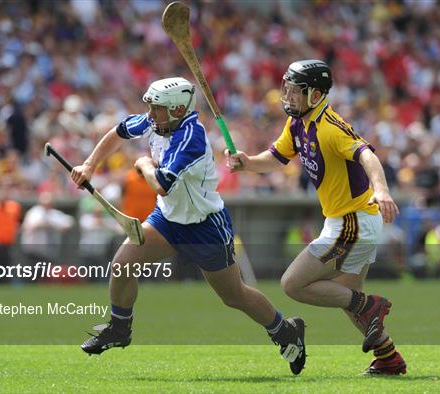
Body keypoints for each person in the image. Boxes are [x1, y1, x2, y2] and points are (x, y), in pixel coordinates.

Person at [70, 77, 306, 374]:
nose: (151, 114)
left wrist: (143, 163)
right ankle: (119, 328)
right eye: (151, 108)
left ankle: (285, 331)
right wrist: (90, 164)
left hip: (205, 226)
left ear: (178, 109)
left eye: (157, 109)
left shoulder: (190, 137)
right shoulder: (156, 121)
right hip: (167, 220)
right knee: (122, 264)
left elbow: (162, 184)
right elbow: (118, 132)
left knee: (234, 295)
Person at [226, 60, 406, 375]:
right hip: (348, 221)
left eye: (297, 91)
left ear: (317, 94)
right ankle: (389, 357)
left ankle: (372, 306)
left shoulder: (331, 127)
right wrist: (247, 162)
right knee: (348, 299)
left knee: (293, 284)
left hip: (354, 220)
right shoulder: (298, 124)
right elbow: (276, 157)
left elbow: (368, 155)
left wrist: (382, 190)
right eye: (289, 89)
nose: (289, 96)